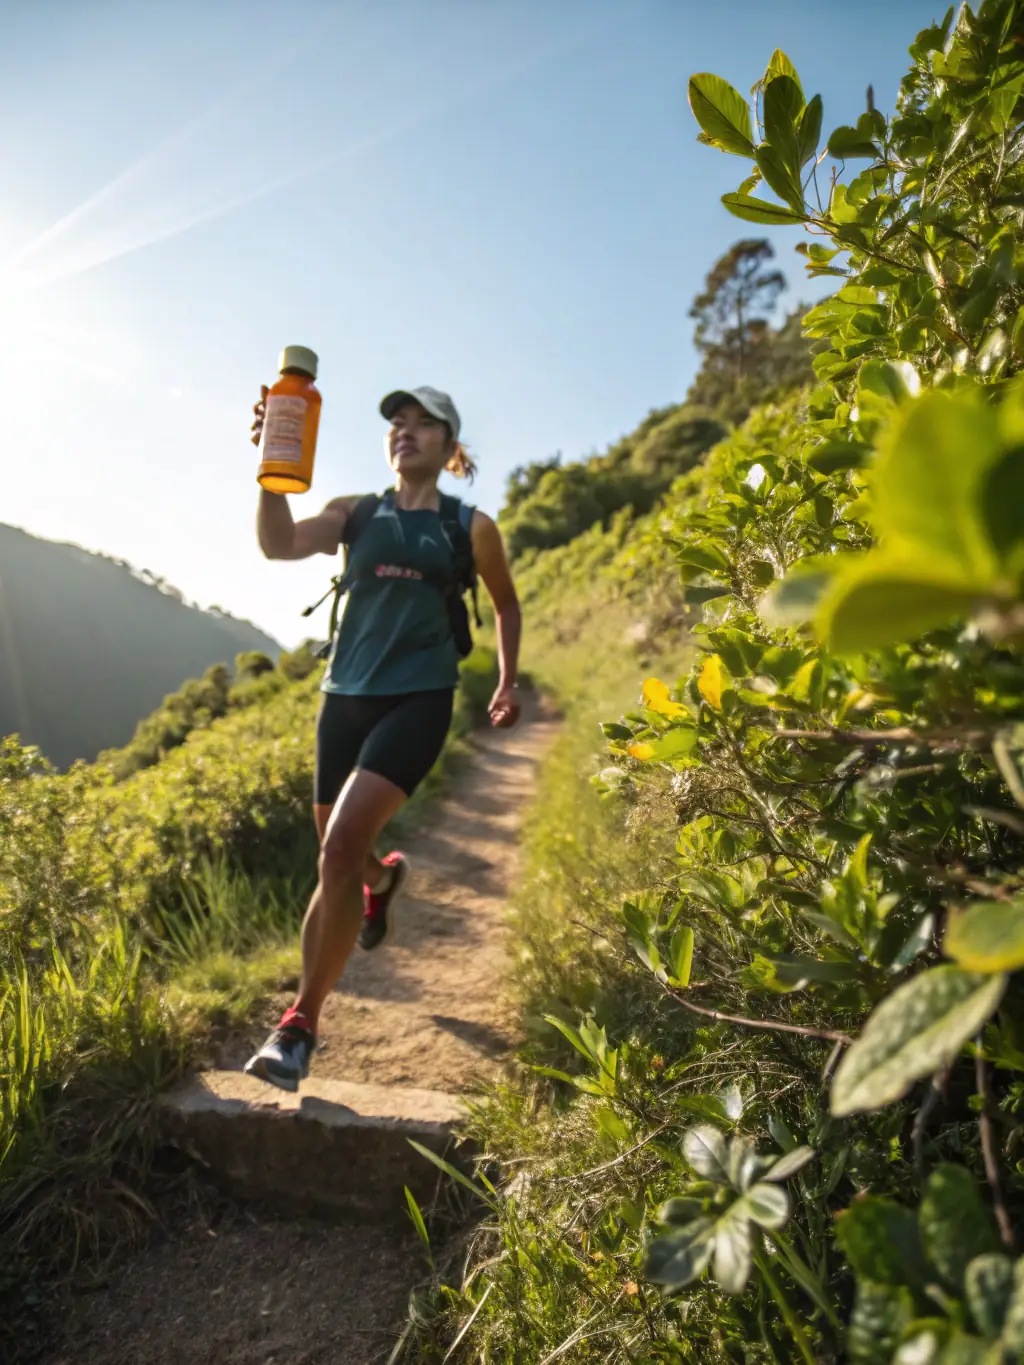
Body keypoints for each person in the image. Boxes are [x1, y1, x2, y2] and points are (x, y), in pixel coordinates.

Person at [243, 384, 522, 1091]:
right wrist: (273, 475)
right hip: (343, 698)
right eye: (397, 424)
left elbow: (504, 602)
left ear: (449, 444)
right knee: (339, 854)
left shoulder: (469, 526)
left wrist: (507, 680)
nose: (405, 432)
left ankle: (298, 1027)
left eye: (423, 424)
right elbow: (279, 544)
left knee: (334, 849)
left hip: (420, 697)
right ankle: (383, 878)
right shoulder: (355, 513)